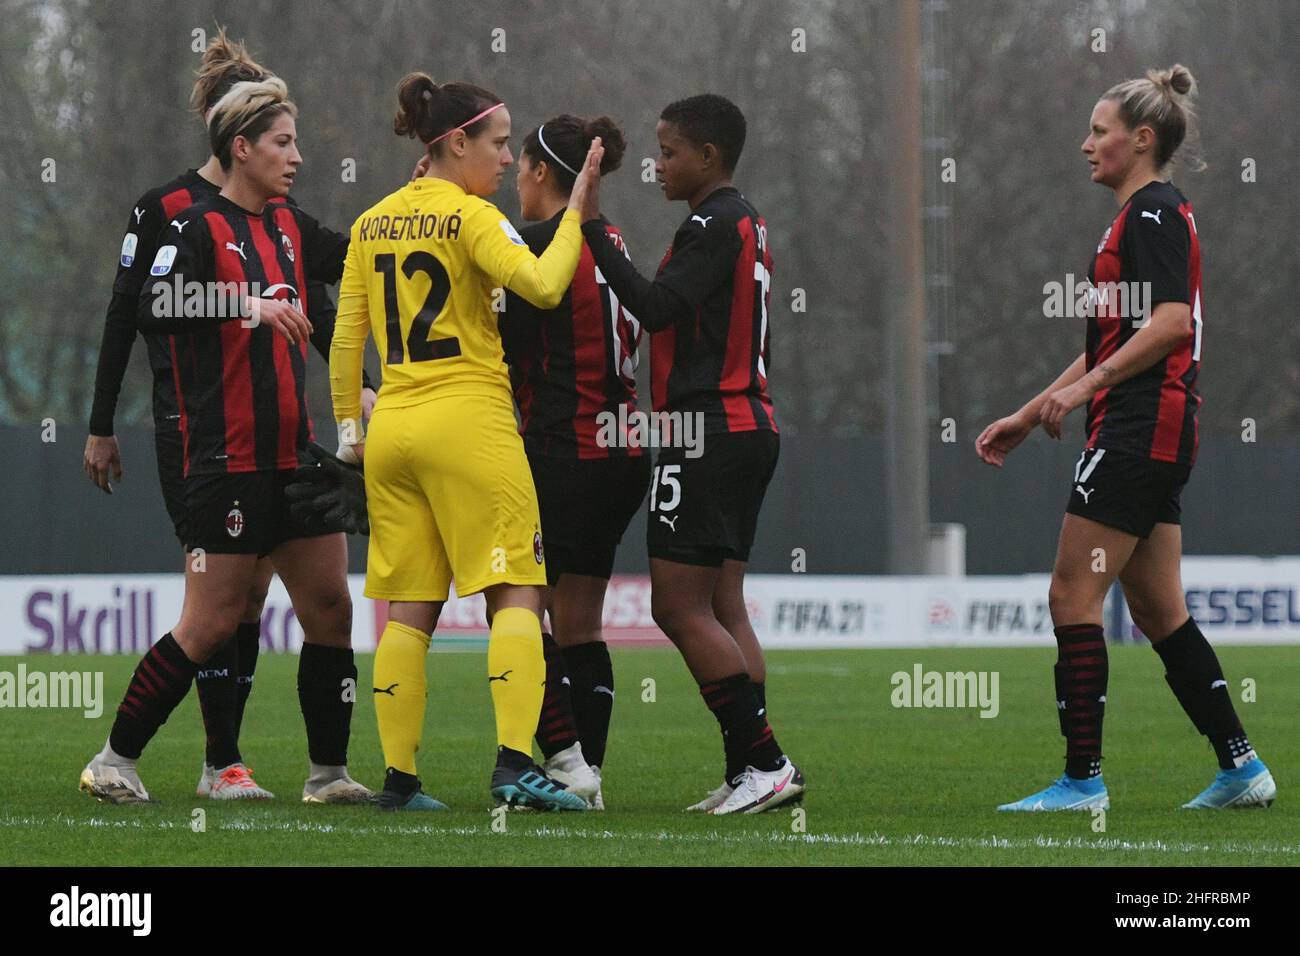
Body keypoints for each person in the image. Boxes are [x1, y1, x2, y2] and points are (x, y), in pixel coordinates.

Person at [82, 29, 375, 801]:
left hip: (292, 451)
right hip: (221, 456)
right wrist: (244, 304)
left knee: (332, 607)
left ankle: (328, 774)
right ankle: (117, 758)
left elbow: (348, 265)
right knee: (214, 619)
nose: (298, 157)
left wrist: (425, 219)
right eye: (283, 142)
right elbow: (150, 304)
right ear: (241, 146)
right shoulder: (188, 222)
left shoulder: (287, 224)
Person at [976, 64, 1274, 811]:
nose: (1086, 144)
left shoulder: (1151, 215)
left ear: (1141, 140)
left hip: (1142, 429)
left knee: (1071, 594)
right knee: (1158, 609)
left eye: (1099, 131)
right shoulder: (1138, 217)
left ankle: (1081, 782)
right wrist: (1035, 406)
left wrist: (1083, 393)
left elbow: (1171, 322)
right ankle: (1242, 768)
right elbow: (1120, 337)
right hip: (1152, 429)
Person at [330, 73, 604, 811]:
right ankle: (516, 764)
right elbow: (544, 286)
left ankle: (399, 780)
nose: (508, 157)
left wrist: (351, 435)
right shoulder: (472, 216)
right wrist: (576, 211)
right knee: (518, 586)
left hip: (393, 429)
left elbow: (345, 340)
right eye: (499, 141)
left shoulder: (372, 221)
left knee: (410, 606)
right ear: (455, 143)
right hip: (469, 417)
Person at [576, 93, 804, 815]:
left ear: (709, 157)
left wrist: (594, 232)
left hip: (705, 430)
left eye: (669, 150)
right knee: (723, 602)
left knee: (677, 608)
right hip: (744, 424)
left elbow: (654, 306)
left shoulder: (714, 222)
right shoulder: (744, 220)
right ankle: (751, 772)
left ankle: (765, 761)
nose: (657, 163)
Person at [500, 114, 651, 809]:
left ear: (538, 172)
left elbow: (499, 350)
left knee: (520, 610)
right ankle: (589, 774)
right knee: (582, 622)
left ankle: (563, 767)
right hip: (621, 454)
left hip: (563, 450)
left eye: (518, 164)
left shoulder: (535, 244)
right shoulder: (610, 237)